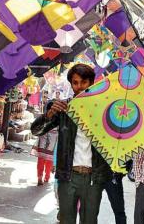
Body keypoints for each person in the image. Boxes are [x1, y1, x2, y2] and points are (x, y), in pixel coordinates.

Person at [31, 64, 111, 224]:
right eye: (75, 83)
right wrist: (49, 114)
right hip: (68, 177)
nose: (79, 87)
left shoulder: (104, 110)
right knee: (66, 220)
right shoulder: (64, 108)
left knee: (89, 221)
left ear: (91, 83)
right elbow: (36, 131)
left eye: (84, 82)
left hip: (93, 178)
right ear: (71, 84)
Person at [32, 101, 58, 186]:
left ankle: (40, 177)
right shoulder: (57, 120)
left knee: (41, 160)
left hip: (42, 143)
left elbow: (34, 129)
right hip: (51, 145)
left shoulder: (43, 118)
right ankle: (46, 177)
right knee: (48, 161)